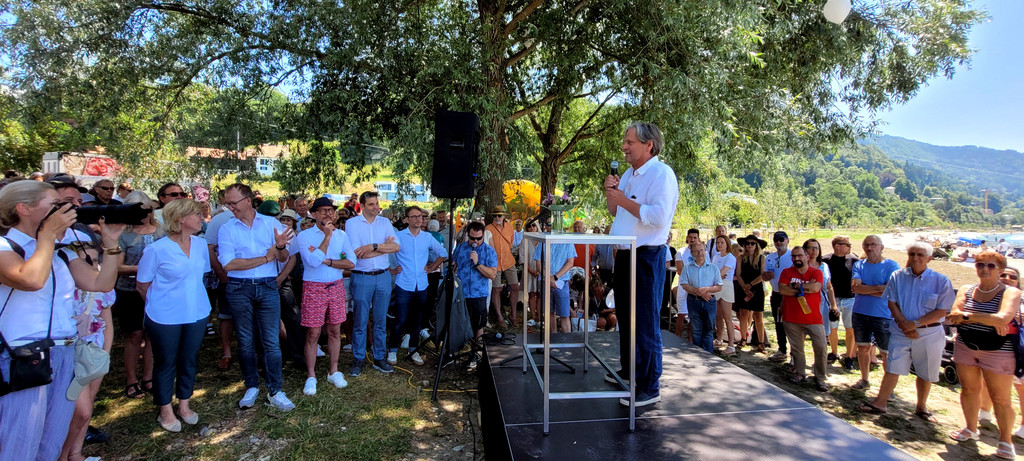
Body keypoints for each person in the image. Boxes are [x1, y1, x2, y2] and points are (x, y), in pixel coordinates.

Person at [0, 181, 123, 460]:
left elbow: (100, 283)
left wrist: (112, 245)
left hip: (64, 350)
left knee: (51, 440)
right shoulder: (5, 246)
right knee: (19, 443)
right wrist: (46, 237)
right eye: (55, 204)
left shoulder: (62, 250)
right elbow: (29, 279)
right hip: (23, 357)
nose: (67, 210)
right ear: (23, 208)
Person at [603, 121, 679, 408]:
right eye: (624, 141)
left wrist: (624, 199)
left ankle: (649, 385)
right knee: (624, 315)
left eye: (630, 142)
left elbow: (659, 217)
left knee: (645, 321)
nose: (624, 146)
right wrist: (613, 193)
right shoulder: (627, 174)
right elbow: (614, 211)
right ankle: (629, 369)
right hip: (624, 254)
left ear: (649, 145)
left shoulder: (662, 174)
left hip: (646, 255)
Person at [217, 183, 296, 411]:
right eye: (228, 203)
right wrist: (265, 257)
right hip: (239, 288)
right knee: (245, 339)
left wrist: (279, 247)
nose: (231, 207)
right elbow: (229, 264)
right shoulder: (227, 228)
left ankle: (276, 389)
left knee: (271, 341)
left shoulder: (272, 224)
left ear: (248, 201)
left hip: (267, 286)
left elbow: (282, 258)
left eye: (234, 203)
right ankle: (251, 385)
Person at [136, 199, 211, 432]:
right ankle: (165, 409)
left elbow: (201, 276)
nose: (201, 218)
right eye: (196, 214)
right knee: (166, 362)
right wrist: (162, 303)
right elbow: (142, 285)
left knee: (189, 359)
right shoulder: (156, 249)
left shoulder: (200, 245)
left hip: (197, 311)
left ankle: (184, 404)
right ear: (180, 219)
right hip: (164, 316)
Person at [856, 242, 954, 421]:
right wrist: (904, 324)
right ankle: (880, 402)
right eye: (912, 254)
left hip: (929, 334)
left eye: (920, 255)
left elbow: (942, 311)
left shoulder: (941, 281)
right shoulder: (897, 276)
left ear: (929, 258)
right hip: (901, 331)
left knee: (925, 372)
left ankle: (921, 407)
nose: (915, 258)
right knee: (893, 367)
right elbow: (891, 302)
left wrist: (915, 324)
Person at [947, 252, 1022, 459]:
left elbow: (1004, 318)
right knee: (969, 389)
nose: (984, 269)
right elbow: (954, 316)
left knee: (1001, 398)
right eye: (980, 265)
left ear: (1000, 269)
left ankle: (1005, 441)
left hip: (998, 351)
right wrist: (988, 319)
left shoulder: (1010, 292)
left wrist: (968, 316)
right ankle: (971, 428)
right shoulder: (966, 289)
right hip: (966, 346)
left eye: (991, 265)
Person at [57, 243, 115, 461]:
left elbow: (107, 322)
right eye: (85, 261)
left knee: (87, 408)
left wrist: (105, 353)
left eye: (94, 260)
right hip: (69, 351)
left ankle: (76, 452)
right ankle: (61, 455)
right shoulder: (61, 291)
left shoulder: (103, 290)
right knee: (78, 410)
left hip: (95, 350)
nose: (91, 265)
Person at [293, 197, 354, 396]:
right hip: (313, 287)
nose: (328, 214)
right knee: (313, 333)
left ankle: (333, 370)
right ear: (314, 214)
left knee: (335, 330)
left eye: (331, 210)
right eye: (323, 211)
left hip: (335, 285)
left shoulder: (342, 235)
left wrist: (326, 261)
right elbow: (311, 263)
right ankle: (311, 376)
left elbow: (351, 263)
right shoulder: (304, 236)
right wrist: (327, 238)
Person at [346, 191, 400, 376]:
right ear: (362, 206)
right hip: (361, 276)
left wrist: (374, 246)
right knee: (360, 320)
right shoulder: (351, 223)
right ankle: (358, 358)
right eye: (371, 204)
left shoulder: (385, 223)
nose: (376, 207)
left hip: (383, 276)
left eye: (377, 203)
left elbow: (396, 247)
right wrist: (383, 248)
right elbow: (356, 253)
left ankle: (379, 358)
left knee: (380, 320)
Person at [115, 191, 163, 398]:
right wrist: (145, 268)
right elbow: (117, 266)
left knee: (153, 335)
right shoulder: (122, 234)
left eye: (145, 211)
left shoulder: (162, 231)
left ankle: (149, 376)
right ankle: (131, 378)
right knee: (134, 335)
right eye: (137, 211)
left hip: (158, 290)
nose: (142, 216)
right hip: (130, 290)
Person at [390, 206, 446, 366]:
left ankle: (413, 350)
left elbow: (443, 252)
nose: (418, 219)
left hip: (421, 284)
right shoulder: (398, 236)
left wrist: (432, 267)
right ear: (406, 219)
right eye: (414, 216)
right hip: (403, 283)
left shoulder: (427, 237)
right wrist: (391, 269)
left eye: (420, 216)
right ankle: (392, 350)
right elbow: (386, 253)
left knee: (417, 320)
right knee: (399, 319)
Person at [978, 267, 1024, 436]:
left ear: (1018, 281)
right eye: (1003, 274)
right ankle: (984, 411)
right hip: (992, 346)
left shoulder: (1021, 299)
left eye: (1012, 276)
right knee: (988, 382)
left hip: (1018, 349)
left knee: (1021, 387)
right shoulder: (987, 294)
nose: (1006, 278)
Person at [850, 235, 901, 390]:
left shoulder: (891, 266)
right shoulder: (859, 265)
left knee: (885, 353)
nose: (869, 248)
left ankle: (887, 389)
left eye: (873, 244)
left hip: (883, 315)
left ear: (881, 247)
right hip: (860, 313)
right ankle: (864, 380)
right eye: (866, 245)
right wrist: (879, 288)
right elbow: (855, 288)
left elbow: (890, 290)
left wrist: (865, 289)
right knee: (863, 348)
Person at [777, 246, 828, 391]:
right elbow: (782, 289)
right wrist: (802, 289)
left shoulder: (816, 272)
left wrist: (796, 286)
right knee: (797, 348)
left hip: (813, 318)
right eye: (793, 256)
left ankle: (821, 377)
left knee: (820, 348)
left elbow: (816, 288)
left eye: (799, 255)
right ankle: (800, 373)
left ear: (806, 256)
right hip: (791, 317)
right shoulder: (787, 272)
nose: (796, 259)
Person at [452, 221, 497, 368]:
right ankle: (456, 350)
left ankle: (476, 354)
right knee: (460, 322)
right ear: (468, 236)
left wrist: (477, 264)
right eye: (472, 238)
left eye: (478, 238)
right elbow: (453, 266)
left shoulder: (489, 251)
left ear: (483, 236)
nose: (475, 242)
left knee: (478, 325)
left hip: (478, 294)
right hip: (461, 293)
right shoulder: (460, 248)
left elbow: (492, 274)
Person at [679, 242, 722, 353]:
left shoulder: (713, 268)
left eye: (702, 250)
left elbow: (718, 286)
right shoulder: (687, 268)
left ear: (705, 251)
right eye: (697, 251)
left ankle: (708, 355)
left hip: (709, 302)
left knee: (708, 330)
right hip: (694, 301)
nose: (700, 253)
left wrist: (706, 289)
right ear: (692, 253)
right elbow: (684, 284)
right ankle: (697, 354)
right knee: (696, 330)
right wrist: (699, 292)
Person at [823, 235, 858, 370]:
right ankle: (834, 352)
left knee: (850, 329)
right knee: (833, 328)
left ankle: (849, 356)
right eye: (847, 245)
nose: (849, 247)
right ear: (837, 246)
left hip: (850, 299)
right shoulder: (826, 260)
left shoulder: (854, 260)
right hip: (833, 299)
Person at [530, 235, 577, 333]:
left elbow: (570, 263)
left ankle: (566, 341)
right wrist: (547, 278)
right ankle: (552, 338)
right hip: (545, 282)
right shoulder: (543, 242)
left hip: (561, 282)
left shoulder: (568, 242)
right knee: (549, 312)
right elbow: (538, 262)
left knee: (564, 314)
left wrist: (555, 277)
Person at [803, 238, 838, 362]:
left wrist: (833, 305)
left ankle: (820, 361)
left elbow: (829, 287)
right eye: (811, 247)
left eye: (816, 248)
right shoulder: (800, 265)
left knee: (821, 335)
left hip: (821, 304)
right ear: (805, 250)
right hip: (803, 303)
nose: (814, 250)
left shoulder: (824, 266)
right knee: (801, 333)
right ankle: (796, 360)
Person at [484, 205, 520, 327]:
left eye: (499, 215)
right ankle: (499, 317)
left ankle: (513, 315)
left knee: (515, 286)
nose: (497, 217)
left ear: (504, 216)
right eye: (495, 215)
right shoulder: (488, 229)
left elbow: (510, 243)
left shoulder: (510, 227)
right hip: (494, 264)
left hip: (508, 261)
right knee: (496, 289)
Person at [734, 234, 768, 353]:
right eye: (747, 243)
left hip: (756, 289)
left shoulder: (762, 258)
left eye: (752, 243)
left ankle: (761, 342)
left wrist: (751, 285)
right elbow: (738, 274)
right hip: (743, 288)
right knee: (743, 314)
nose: (750, 245)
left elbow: (762, 275)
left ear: (757, 245)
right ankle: (743, 338)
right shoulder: (740, 258)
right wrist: (745, 287)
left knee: (758, 316)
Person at [764, 231, 793, 362]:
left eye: (781, 239)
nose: (778, 242)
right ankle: (782, 350)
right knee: (778, 322)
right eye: (776, 240)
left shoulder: (793, 256)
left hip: (790, 295)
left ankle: (795, 353)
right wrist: (766, 276)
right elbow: (764, 276)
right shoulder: (770, 257)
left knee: (792, 325)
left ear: (787, 240)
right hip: (776, 294)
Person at [712, 234, 738, 355]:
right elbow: (714, 272)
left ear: (727, 244)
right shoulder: (716, 256)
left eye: (722, 242)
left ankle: (731, 345)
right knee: (718, 316)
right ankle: (719, 339)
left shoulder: (730, 258)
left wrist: (718, 276)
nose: (720, 245)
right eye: (718, 243)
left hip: (726, 286)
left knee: (727, 317)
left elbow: (722, 273)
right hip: (716, 285)